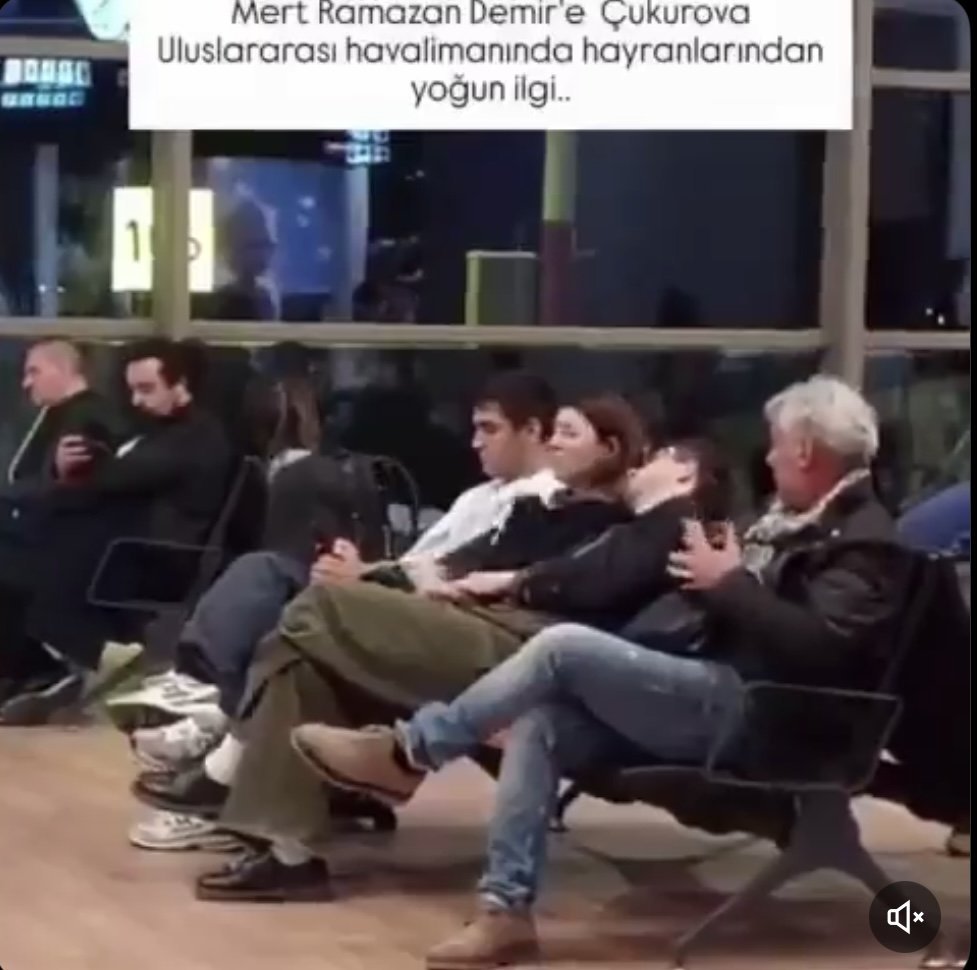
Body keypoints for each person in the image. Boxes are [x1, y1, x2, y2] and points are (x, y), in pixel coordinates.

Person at [292, 375, 910, 968]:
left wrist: (728, 584)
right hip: (722, 685)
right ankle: (505, 910)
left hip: (762, 709)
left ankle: (412, 752)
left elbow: (826, 649)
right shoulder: (797, 522)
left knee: (564, 647)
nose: (768, 460)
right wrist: (727, 584)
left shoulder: (863, 540)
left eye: (776, 446)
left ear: (805, 451)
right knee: (543, 724)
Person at [135, 394, 648, 901]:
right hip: (460, 619)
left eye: (569, 434)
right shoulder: (532, 511)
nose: (554, 443)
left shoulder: (623, 527)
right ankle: (289, 854)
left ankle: (224, 750)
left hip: (529, 650)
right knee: (304, 664)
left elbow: (580, 589)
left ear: (610, 449)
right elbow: (451, 563)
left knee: (316, 607)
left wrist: (498, 583)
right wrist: (405, 578)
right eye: (554, 431)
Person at [0, 339, 233, 724]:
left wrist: (69, 475)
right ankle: (35, 664)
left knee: (25, 555)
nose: (137, 401)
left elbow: (118, 477)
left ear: (180, 384)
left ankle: (58, 658)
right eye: (133, 390)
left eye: (147, 389)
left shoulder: (195, 437)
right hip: (124, 543)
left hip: (151, 556)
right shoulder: (159, 431)